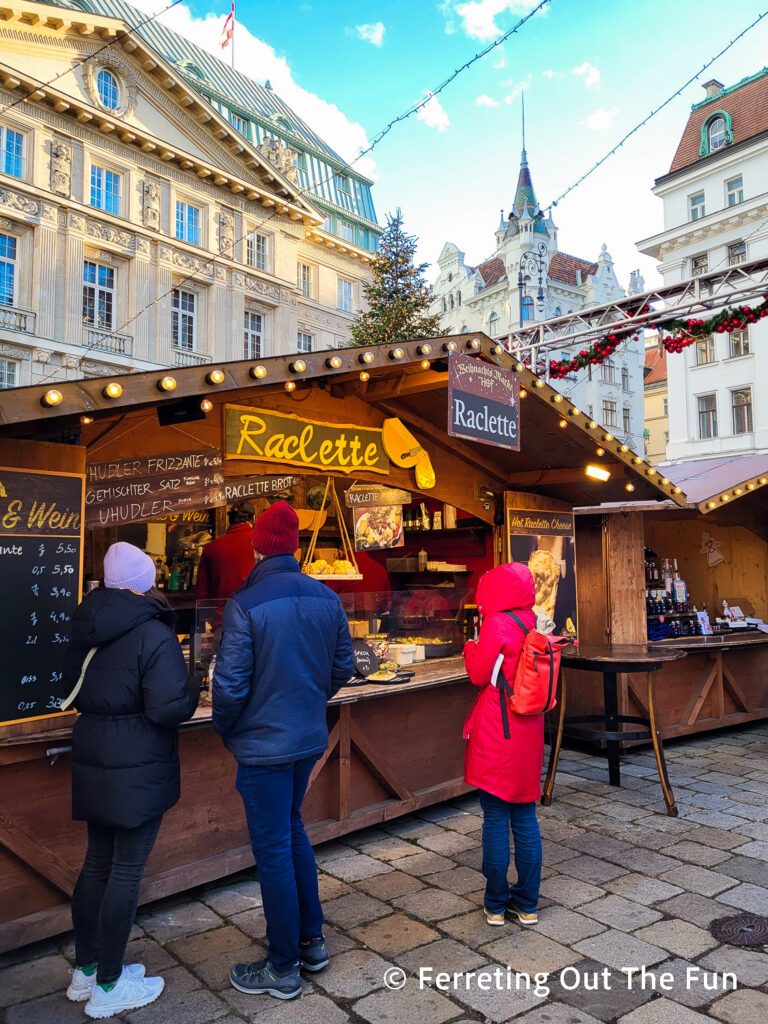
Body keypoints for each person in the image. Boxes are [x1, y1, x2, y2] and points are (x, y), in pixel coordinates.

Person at [213, 501, 354, 1001]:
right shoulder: (325, 597)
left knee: (274, 848)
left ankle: (282, 965)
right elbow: (343, 666)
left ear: (257, 545)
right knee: (292, 833)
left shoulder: (245, 604)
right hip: (305, 738)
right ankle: (311, 943)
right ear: (293, 545)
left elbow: (228, 687)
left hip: (263, 745)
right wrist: (312, 699)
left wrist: (228, 729)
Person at [64, 542, 198, 1019]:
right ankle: (109, 985)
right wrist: (194, 685)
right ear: (145, 583)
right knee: (125, 869)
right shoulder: (152, 633)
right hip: (138, 757)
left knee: (97, 861)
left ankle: (87, 969)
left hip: (94, 749)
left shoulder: (86, 620)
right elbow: (166, 709)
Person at [462, 562, 543, 928]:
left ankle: (495, 904)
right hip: (527, 728)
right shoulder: (531, 620)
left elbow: (479, 673)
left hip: (500, 727)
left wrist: (469, 647)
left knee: (495, 816)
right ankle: (527, 903)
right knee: (525, 816)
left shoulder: (496, 622)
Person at [195, 499, 256, 602]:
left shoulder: (211, 548)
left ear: (229, 521)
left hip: (220, 615)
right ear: (253, 519)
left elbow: (201, 594)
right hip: (253, 614)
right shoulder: (261, 546)